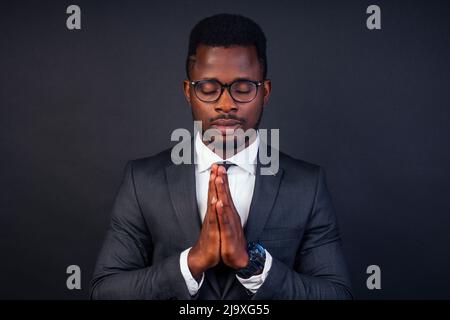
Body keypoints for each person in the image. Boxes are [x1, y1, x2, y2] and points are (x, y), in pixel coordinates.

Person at [90, 13, 352, 300]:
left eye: (242, 88)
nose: (226, 104)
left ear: (264, 92)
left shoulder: (307, 185)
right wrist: (193, 262)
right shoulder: (142, 181)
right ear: (188, 92)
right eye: (208, 89)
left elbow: (337, 295)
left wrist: (253, 264)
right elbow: (104, 292)